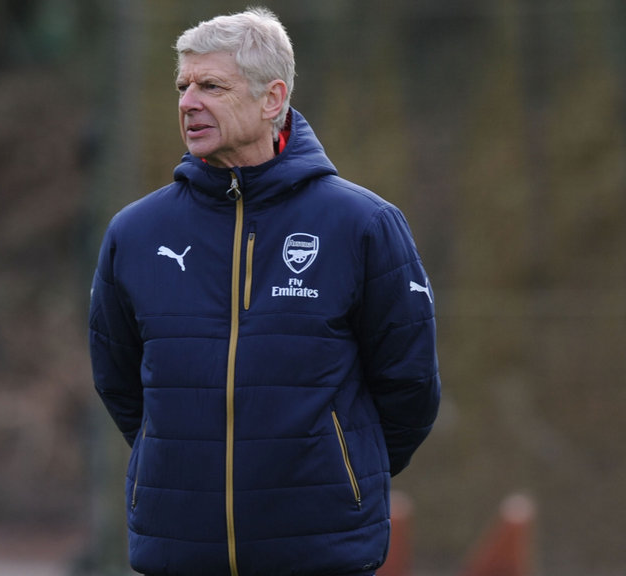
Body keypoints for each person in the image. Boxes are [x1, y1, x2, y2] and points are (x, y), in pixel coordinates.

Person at [88, 8, 440, 576]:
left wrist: (339, 472)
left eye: (211, 86)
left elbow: (410, 385)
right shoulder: (135, 233)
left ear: (271, 98)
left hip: (320, 551)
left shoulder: (363, 224)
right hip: (180, 548)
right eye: (183, 86)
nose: (187, 102)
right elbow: (118, 380)